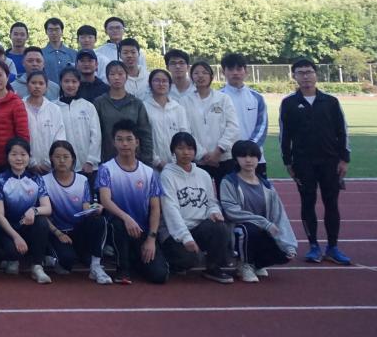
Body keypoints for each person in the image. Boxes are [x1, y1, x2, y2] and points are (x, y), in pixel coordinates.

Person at [279, 57, 351, 265]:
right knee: (307, 203)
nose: (306, 76)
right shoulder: (289, 103)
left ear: (316, 74)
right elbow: (285, 135)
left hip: (330, 162)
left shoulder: (330, 101)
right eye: (301, 73)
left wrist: (344, 159)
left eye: (309, 72)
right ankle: (313, 246)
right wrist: (288, 162)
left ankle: (333, 247)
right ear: (294, 76)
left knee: (331, 204)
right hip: (303, 163)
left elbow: (342, 131)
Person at [98, 119, 168, 285]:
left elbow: (155, 208)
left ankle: (135, 258)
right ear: (114, 142)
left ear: (137, 142)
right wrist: (127, 218)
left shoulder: (149, 173)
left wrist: (151, 239)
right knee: (118, 224)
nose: (124, 144)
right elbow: (105, 200)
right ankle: (122, 269)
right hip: (119, 227)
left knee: (160, 276)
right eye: (120, 139)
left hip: (142, 231)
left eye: (129, 139)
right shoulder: (106, 169)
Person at [158, 131, 234, 283]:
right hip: (175, 233)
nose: (186, 152)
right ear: (173, 151)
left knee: (220, 227)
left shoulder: (203, 175)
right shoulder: (167, 176)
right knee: (190, 260)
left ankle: (213, 268)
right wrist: (185, 238)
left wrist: (214, 212)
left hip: (198, 227)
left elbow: (211, 201)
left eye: (190, 148)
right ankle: (171, 260)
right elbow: (170, 210)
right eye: (180, 148)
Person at [220, 140, 298, 282]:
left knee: (284, 254)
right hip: (239, 231)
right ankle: (244, 264)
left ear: (258, 158)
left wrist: (288, 245)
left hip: (263, 231)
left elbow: (279, 215)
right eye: (243, 156)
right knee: (248, 229)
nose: (248, 160)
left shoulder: (267, 186)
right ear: (236, 159)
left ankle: (257, 264)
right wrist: (264, 223)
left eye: (252, 156)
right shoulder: (229, 182)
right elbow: (231, 212)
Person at [42, 140, 112, 284]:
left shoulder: (82, 180)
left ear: (73, 159)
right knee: (67, 262)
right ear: (51, 159)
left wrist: (95, 209)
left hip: (79, 231)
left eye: (66, 157)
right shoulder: (44, 181)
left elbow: (85, 208)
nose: (62, 161)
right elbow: (43, 215)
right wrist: (58, 233)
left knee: (99, 220)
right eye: (57, 157)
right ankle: (52, 256)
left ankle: (96, 266)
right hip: (58, 233)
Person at [0, 138, 54, 283]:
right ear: (7, 157)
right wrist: (16, 237)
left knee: (42, 221)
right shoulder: (0, 180)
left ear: (29, 156)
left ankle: (37, 266)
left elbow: (47, 208)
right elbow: (0, 215)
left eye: (23, 154)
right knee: (12, 254)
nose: (19, 158)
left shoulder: (36, 178)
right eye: (14, 154)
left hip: (28, 227)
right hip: (9, 231)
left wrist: (34, 210)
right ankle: (11, 258)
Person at [185, 61, 240, 188]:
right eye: (196, 73)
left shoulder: (223, 99)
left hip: (224, 158)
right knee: (201, 196)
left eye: (204, 72)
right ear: (191, 77)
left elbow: (233, 127)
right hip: (199, 161)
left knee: (227, 196)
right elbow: (186, 130)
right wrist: (202, 154)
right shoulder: (185, 101)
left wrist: (218, 151)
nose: (200, 76)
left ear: (211, 76)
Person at [94, 61, 154, 164]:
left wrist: (147, 160)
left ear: (126, 76)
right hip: (107, 159)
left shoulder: (136, 103)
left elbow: (145, 133)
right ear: (107, 78)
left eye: (120, 74)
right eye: (112, 74)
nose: (116, 77)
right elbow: (95, 134)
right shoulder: (99, 103)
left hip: (134, 160)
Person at [221, 52, 269, 176]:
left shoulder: (257, 97)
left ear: (246, 71)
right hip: (227, 158)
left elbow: (262, 125)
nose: (235, 73)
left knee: (258, 189)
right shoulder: (217, 98)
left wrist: (250, 148)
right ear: (223, 72)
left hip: (255, 158)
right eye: (231, 69)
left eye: (239, 69)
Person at [54, 69, 102, 180]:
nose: (70, 85)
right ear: (60, 83)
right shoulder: (54, 107)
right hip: (63, 165)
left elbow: (96, 135)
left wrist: (91, 160)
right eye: (66, 81)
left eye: (74, 81)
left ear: (79, 83)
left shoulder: (88, 106)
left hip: (88, 166)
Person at [144, 68, 190, 170]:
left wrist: (179, 160)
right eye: (156, 80)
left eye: (164, 81)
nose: (161, 84)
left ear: (170, 84)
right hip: (152, 165)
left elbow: (184, 135)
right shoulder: (144, 107)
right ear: (150, 84)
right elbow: (143, 138)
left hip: (177, 164)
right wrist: (157, 162)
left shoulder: (178, 108)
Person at [21, 71, 65, 175]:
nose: (37, 86)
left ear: (46, 86)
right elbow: (19, 136)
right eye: (33, 83)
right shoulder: (20, 106)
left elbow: (59, 138)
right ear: (27, 85)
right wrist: (31, 162)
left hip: (50, 166)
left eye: (41, 83)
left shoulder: (54, 109)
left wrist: (49, 162)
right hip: (24, 165)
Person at [41, 18, 77, 84]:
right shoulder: (41, 54)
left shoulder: (73, 53)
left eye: (57, 29)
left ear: (62, 31)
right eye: (50, 30)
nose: (54, 33)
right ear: (46, 32)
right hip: (48, 89)